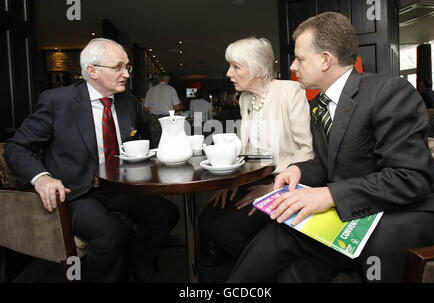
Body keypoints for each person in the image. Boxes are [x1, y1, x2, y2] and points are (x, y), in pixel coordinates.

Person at [227, 12, 434, 283]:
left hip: (406, 212)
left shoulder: (388, 92)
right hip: (360, 207)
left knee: (378, 245)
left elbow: (411, 178)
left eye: (300, 58)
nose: (293, 66)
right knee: (280, 228)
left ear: (325, 60)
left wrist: (329, 195)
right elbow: (327, 163)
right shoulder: (319, 104)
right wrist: (299, 170)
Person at [3, 38, 179, 282]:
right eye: (118, 67)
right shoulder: (57, 101)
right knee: (111, 234)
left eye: (127, 67)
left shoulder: (128, 102)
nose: (126, 74)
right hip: (78, 192)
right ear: (92, 71)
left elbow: (132, 137)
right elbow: (15, 147)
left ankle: (134, 265)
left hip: (119, 187)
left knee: (167, 213)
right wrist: (42, 179)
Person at [200, 37, 314, 267]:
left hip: (285, 182)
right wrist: (233, 180)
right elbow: (247, 147)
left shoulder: (290, 92)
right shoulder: (245, 99)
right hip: (253, 176)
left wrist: (273, 189)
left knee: (227, 230)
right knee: (206, 216)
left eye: (236, 66)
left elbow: (307, 150)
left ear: (258, 70)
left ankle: (273, 273)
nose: (229, 73)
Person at [143, 74, 181, 148]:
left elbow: (146, 108)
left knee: (156, 141)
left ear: (158, 80)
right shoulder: (171, 89)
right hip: (167, 118)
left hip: (154, 119)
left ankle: (158, 156)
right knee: (169, 139)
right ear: (167, 80)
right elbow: (177, 107)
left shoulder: (151, 90)